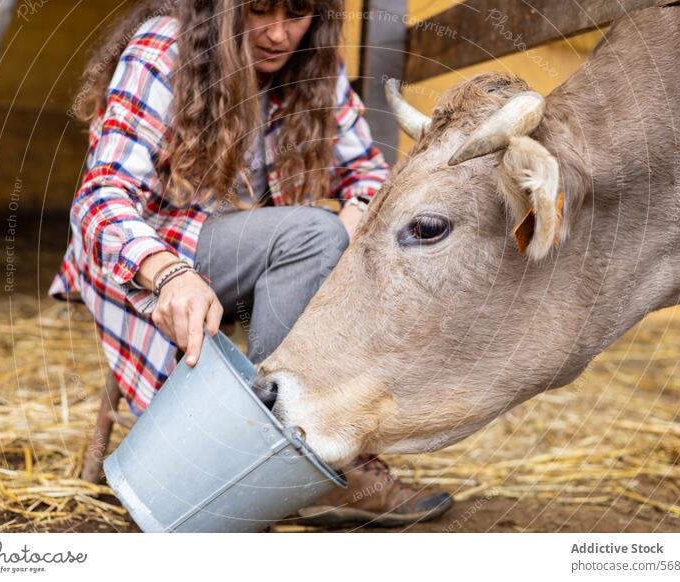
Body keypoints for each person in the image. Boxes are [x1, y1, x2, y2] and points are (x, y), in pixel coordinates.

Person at [48, 0, 453, 527]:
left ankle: (298, 448)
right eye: (260, 10)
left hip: (255, 258)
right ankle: (297, 455)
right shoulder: (162, 50)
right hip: (153, 254)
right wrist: (167, 271)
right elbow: (100, 198)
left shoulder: (312, 68)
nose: (279, 34)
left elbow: (370, 174)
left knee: (327, 235)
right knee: (311, 234)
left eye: (298, 14)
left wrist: (358, 215)